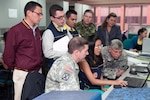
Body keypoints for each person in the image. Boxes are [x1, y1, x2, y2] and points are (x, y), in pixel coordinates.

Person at [3, 1, 43, 100]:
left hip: (37, 71)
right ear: (29, 13)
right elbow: (8, 55)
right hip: (23, 73)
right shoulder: (15, 30)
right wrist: (18, 67)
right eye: (38, 14)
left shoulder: (37, 30)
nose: (41, 17)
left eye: (41, 14)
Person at [42, 4, 73, 74]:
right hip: (54, 68)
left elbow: (72, 41)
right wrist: (66, 53)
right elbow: (47, 53)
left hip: (65, 65)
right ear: (52, 18)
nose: (63, 19)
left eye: (63, 16)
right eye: (60, 18)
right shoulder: (49, 32)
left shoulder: (64, 29)